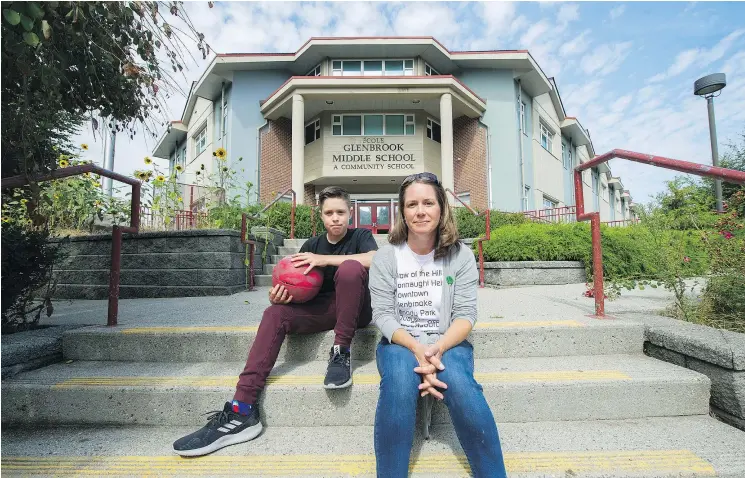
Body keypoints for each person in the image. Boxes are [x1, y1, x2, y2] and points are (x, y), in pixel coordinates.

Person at [173, 186, 378, 457]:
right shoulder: (310, 246)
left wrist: (325, 260)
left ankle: (341, 352)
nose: (335, 218)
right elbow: (299, 285)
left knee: (351, 268)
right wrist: (282, 295)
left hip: (358, 310)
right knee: (273, 314)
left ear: (349, 213)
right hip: (324, 309)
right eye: (329, 213)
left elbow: (375, 259)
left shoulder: (361, 236)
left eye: (340, 212)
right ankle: (242, 409)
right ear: (321, 215)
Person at [368, 172, 508, 477]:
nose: (420, 211)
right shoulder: (386, 257)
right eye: (412, 204)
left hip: (449, 341)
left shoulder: (460, 256)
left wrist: (438, 348)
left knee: (457, 380)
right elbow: (382, 314)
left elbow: (465, 315)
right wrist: (417, 348)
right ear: (402, 213)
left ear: (441, 209)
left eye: (428, 203)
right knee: (399, 384)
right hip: (401, 342)